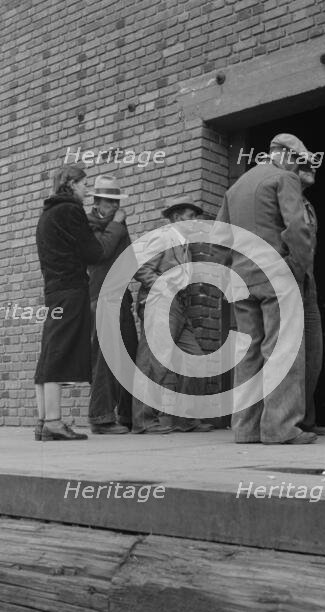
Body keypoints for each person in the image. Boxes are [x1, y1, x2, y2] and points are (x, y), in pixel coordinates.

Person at [214, 133, 317, 445]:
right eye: (298, 160)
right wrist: (296, 267)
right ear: (284, 154)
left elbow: (219, 239)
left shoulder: (235, 187)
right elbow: (297, 228)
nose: (299, 168)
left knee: (250, 352)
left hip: (242, 278)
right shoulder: (284, 177)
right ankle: (280, 428)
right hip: (275, 276)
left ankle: (245, 429)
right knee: (282, 349)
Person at [34, 165, 127, 441]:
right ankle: (53, 422)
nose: (87, 191)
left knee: (49, 349)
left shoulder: (48, 212)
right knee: (59, 352)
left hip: (53, 289)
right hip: (71, 288)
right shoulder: (71, 211)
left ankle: (42, 422)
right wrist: (116, 226)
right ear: (71, 184)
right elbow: (95, 252)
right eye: (84, 184)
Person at [132, 198, 214, 434]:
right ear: (177, 218)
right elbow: (139, 266)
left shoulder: (184, 244)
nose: (195, 221)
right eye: (191, 216)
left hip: (178, 308)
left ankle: (185, 419)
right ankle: (144, 421)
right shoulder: (163, 236)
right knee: (151, 363)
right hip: (160, 303)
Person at [87, 175, 138, 434]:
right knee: (105, 358)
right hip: (102, 297)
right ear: (97, 202)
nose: (115, 207)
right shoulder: (89, 223)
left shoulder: (119, 226)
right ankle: (101, 418)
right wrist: (117, 225)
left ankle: (129, 416)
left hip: (121, 297)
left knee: (130, 353)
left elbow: (129, 259)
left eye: (117, 202)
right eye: (110, 202)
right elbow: (101, 250)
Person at [286, 138, 325, 436]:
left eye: (313, 163)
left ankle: (306, 417)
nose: (311, 167)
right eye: (304, 163)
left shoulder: (309, 206)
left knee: (313, 352)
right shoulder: (280, 196)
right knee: (290, 353)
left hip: (308, 284)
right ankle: (289, 420)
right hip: (287, 281)